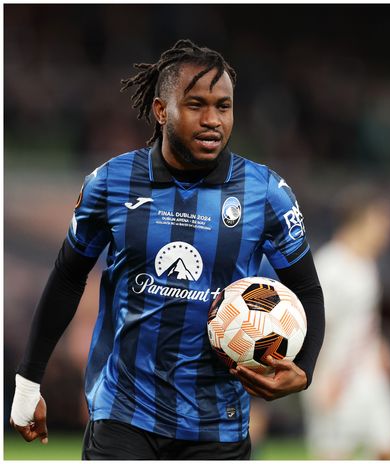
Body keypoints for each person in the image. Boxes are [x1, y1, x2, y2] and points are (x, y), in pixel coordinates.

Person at [9, 39, 325, 460]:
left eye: (224, 107)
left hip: (218, 426)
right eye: (196, 105)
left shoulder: (265, 192)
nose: (212, 120)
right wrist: (28, 382)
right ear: (161, 111)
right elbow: (67, 277)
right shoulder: (112, 182)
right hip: (123, 417)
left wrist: (304, 370)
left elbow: (308, 290)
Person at [300, 185, 390, 459]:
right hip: (336, 375)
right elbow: (312, 328)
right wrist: (318, 378)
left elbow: (361, 317)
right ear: (365, 220)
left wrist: (379, 345)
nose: (388, 231)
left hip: (367, 371)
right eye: (384, 222)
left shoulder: (366, 264)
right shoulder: (330, 267)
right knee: (334, 455)